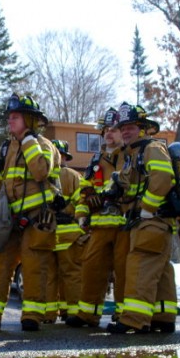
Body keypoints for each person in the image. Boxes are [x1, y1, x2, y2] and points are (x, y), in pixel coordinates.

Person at [0, 93, 58, 332]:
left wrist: (27, 141)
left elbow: (40, 172)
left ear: (30, 120)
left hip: (37, 219)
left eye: (16, 117)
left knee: (34, 267)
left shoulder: (45, 146)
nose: (10, 121)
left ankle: (32, 317)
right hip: (9, 220)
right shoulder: (5, 150)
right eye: (9, 117)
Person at [106, 103, 178, 335]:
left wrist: (148, 207)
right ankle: (163, 317)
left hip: (152, 219)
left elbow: (163, 176)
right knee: (161, 270)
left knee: (140, 265)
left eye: (131, 127)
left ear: (144, 128)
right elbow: (130, 184)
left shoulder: (151, 148)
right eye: (123, 127)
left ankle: (134, 320)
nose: (125, 131)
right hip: (153, 221)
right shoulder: (133, 155)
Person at [66, 108, 129, 327]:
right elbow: (84, 192)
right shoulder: (96, 161)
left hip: (124, 225)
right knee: (92, 269)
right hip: (99, 227)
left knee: (124, 271)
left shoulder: (129, 156)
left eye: (114, 130)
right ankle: (88, 314)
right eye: (105, 130)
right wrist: (82, 214)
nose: (109, 134)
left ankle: (123, 315)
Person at [45, 139, 87, 322]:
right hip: (69, 235)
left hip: (49, 234)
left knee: (49, 275)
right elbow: (82, 202)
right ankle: (72, 312)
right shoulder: (74, 176)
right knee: (71, 274)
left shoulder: (43, 178)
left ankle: (48, 314)